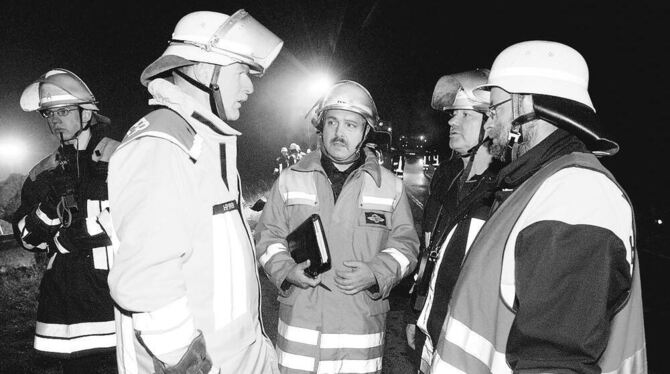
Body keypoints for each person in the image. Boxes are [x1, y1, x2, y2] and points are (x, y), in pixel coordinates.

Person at [422, 40, 647, 374]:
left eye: (494, 110)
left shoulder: (577, 194)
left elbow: (553, 362)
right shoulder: (540, 185)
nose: (488, 125)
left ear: (523, 104)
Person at [106, 10, 283, 374]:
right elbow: (149, 286)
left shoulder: (202, 142)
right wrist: (190, 366)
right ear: (206, 71)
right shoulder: (161, 146)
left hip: (237, 358)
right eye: (242, 73)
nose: (250, 87)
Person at [255, 80, 420, 373]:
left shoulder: (390, 187)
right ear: (322, 126)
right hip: (300, 338)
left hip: (357, 338)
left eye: (350, 125)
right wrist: (286, 270)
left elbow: (406, 247)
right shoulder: (290, 179)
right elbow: (267, 238)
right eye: (332, 122)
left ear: (366, 132)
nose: (339, 132)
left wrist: (375, 272)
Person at [13, 68, 119, 373]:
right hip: (67, 306)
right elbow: (26, 239)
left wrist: (85, 230)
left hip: (118, 298)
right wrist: (48, 208)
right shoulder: (42, 174)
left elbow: (146, 215)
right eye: (48, 114)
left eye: (63, 111)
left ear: (87, 113)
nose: (54, 119)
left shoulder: (122, 156)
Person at [404, 69, 502, 370]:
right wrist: (415, 313)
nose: (451, 121)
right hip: (429, 330)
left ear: (491, 122)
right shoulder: (446, 176)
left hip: (469, 347)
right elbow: (430, 254)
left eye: (465, 116)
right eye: (452, 114)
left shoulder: (503, 189)